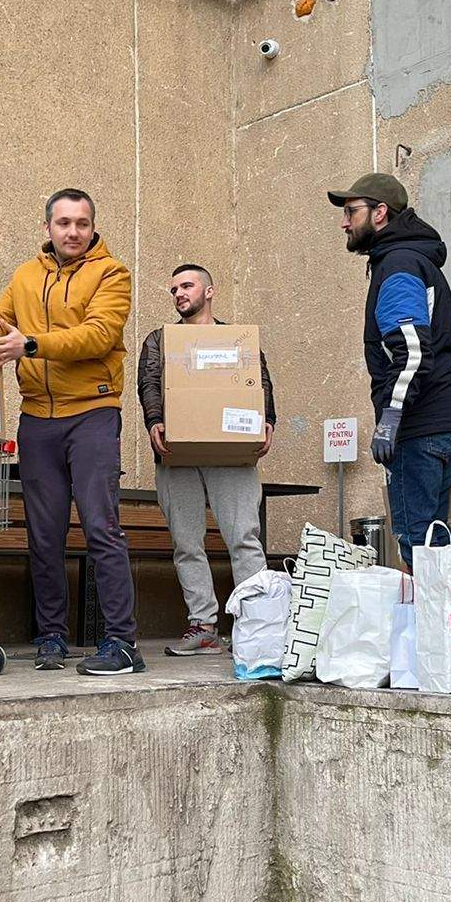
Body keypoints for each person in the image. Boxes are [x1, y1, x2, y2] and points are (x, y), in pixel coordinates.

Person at [0, 188, 142, 676]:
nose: (73, 232)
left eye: (82, 223)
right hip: (37, 420)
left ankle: (122, 641)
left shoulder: (111, 273)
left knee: (101, 528)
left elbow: (99, 335)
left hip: (92, 413)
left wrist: (29, 344)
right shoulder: (27, 275)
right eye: (64, 223)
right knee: (44, 536)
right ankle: (51, 636)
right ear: (47, 227)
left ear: (93, 228)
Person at [330, 172, 451, 567]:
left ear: (379, 213)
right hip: (443, 415)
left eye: (351, 211)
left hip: (420, 422)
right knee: (432, 534)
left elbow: (412, 351)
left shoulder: (397, 265)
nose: (344, 222)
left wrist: (391, 416)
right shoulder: (407, 259)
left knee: (417, 537)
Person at [137, 264, 276, 655]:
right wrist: (155, 420)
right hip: (176, 453)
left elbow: (259, 380)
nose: (179, 293)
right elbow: (149, 381)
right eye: (174, 289)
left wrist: (267, 420)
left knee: (244, 539)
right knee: (186, 544)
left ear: (209, 291)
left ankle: (255, 627)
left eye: (187, 285)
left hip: (232, 454)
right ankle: (203, 626)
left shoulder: (236, 340)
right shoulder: (160, 340)